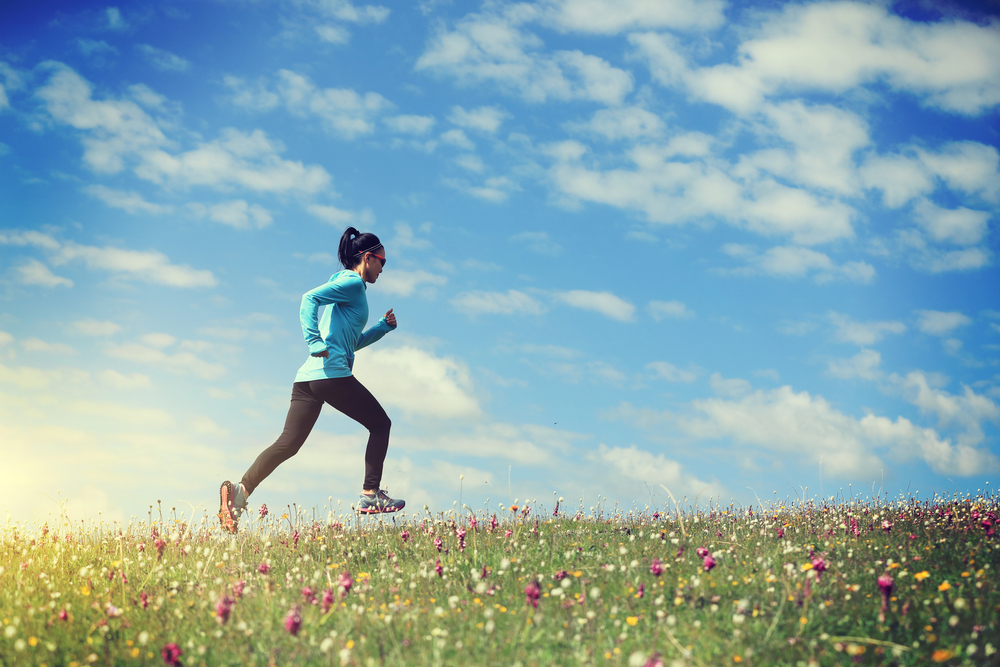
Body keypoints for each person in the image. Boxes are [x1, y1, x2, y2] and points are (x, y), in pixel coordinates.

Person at [219, 227, 404, 533]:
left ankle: (239, 494)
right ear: (368, 257)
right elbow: (308, 299)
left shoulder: (345, 287)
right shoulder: (352, 283)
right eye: (383, 260)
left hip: (308, 379)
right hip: (330, 374)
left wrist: (382, 328)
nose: (384, 268)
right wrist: (313, 340)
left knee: (288, 444)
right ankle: (370, 495)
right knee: (381, 424)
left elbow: (350, 343)